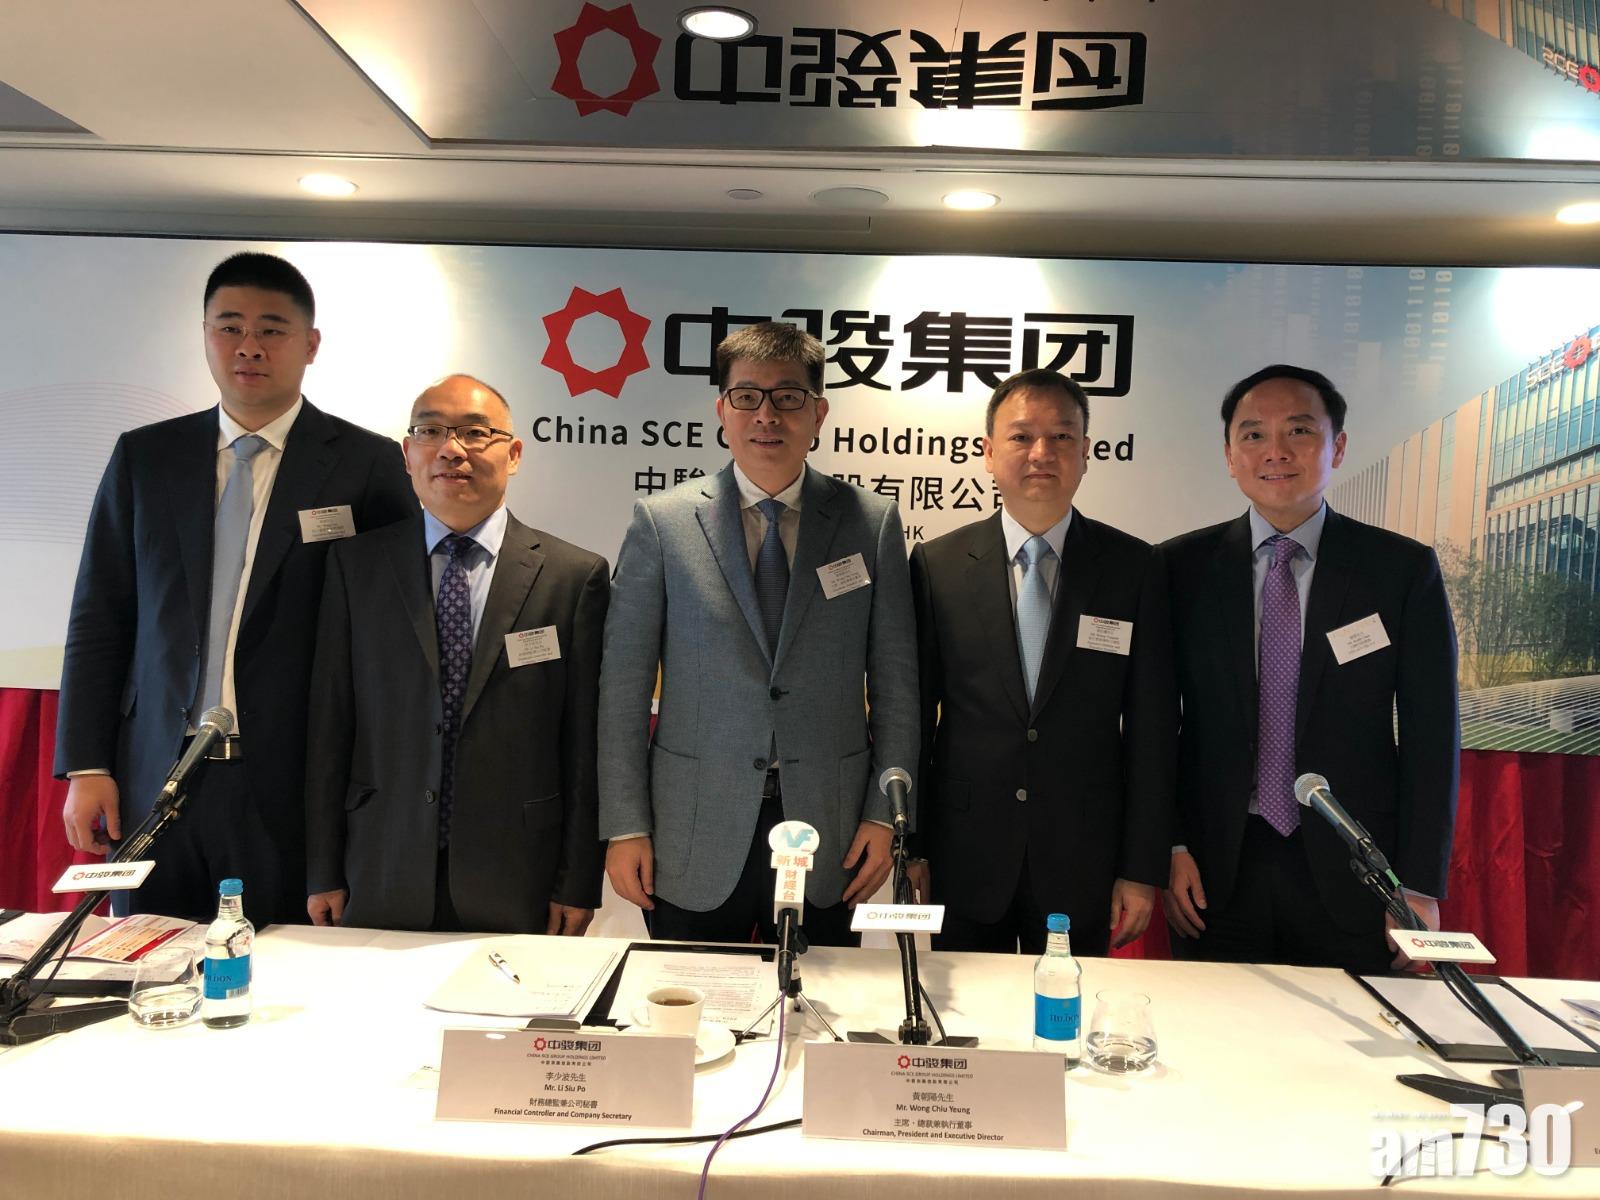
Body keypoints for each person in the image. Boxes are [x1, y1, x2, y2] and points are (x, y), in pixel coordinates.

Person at [56, 252, 416, 926]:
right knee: (147, 962)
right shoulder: (146, 457)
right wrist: (86, 765)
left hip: (291, 785)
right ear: (205, 336)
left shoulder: (366, 464)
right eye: (230, 327)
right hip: (154, 778)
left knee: (285, 969)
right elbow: (100, 617)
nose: (249, 346)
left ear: (310, 344)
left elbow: (394, 636)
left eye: (272, 329)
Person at [599, 321, 918, 945]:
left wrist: (885, 816)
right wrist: (626, 824)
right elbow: (624, 691)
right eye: (746, 396)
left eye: (788, 396)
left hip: (829, 828)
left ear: (818, 413)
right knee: (689, 996)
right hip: (691, 827)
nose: (766, 415)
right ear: (722, 410)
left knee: (819, 994)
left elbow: (897, 685)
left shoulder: (869, 522)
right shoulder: (663, 524)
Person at [1161, 364, 1458, 973]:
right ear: (1230, 456)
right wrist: (1169, 844)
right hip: (1213, 872)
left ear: (1337, 447)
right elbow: (1156, 724)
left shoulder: (1399, 571)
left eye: (1299, 431)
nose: (1275, 451)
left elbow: (1432, 736)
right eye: (1253, 435)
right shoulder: (1178, 569)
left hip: (1357, 871)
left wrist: (1419, 884)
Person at [304, 375, 608, 933]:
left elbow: (584, 742)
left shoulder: (573, 576)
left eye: (475, 433)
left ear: (513, 454)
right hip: (381, 860)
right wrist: (322, 867)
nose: (451, 449)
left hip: (519, 870)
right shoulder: (356, 567)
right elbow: (331, 725)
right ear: (408, 454)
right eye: (431, 432)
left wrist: (577, 879)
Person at [908, 369, 1176, 957]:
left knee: (1067, 1007)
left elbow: (1152, 731)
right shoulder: (937, 565)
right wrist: (915, 846)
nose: (1041, 453)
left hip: (1084, 853)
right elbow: (916, 717)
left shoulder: (1134, 568)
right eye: (1021, 436)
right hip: (965, 850)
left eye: (1061, 436)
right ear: (988, 452)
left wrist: (1140, 868)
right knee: (965, 1007)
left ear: (1085, 452)